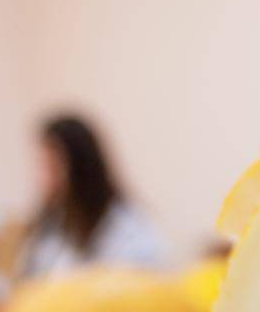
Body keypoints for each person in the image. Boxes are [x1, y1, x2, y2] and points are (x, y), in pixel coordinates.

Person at [21, 112, 166, 277]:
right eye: (42, 167)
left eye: (52, 168)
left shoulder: (127, 228)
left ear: (81, 169)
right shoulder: (50, 227)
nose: (44, 179)